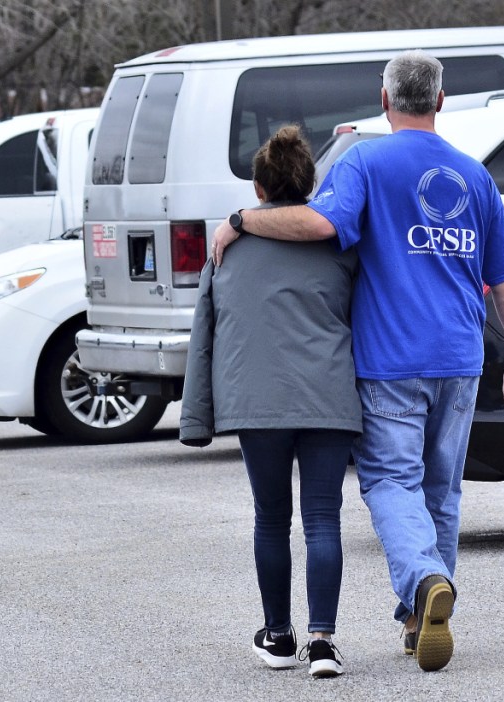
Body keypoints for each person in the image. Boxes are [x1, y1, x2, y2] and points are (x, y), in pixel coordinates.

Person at [210, 50, 504, 673]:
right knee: (440, 491)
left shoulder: (364, 159)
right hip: (461, 359)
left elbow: (319, 226)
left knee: (391, 482)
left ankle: (423, 583)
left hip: (391, 360)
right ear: (440, 101)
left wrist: (240, 219)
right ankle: (421, 618)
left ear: (384, 100)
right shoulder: (475, 175)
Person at [180, 125, 361, 678]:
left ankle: (278, 636)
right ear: (309, 187)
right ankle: (324, 643)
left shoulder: (225, 252)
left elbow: (203, 335)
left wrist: (196, 418)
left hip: (255, 402)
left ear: (258, 190)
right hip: (327, 395)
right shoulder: (339, 247)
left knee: (271, 518)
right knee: (323, 520)